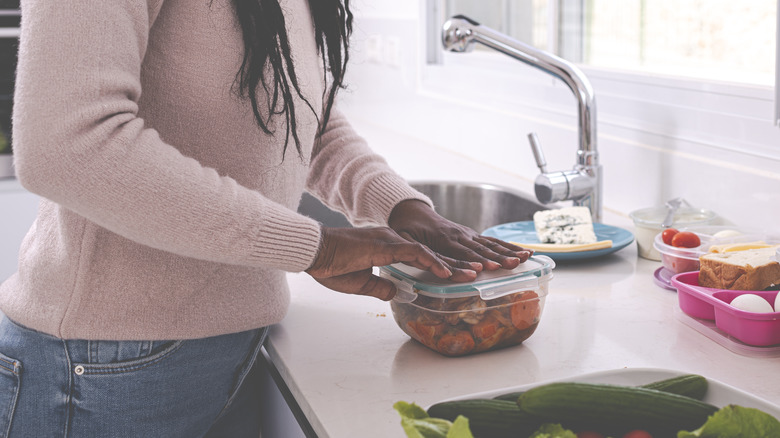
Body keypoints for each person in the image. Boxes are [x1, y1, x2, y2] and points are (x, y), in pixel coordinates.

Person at [0, 0, 532, 436]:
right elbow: (68, 144)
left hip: (236, 345)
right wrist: (315, 246)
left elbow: (300, 114)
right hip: (103, 370)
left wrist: (401, 206)